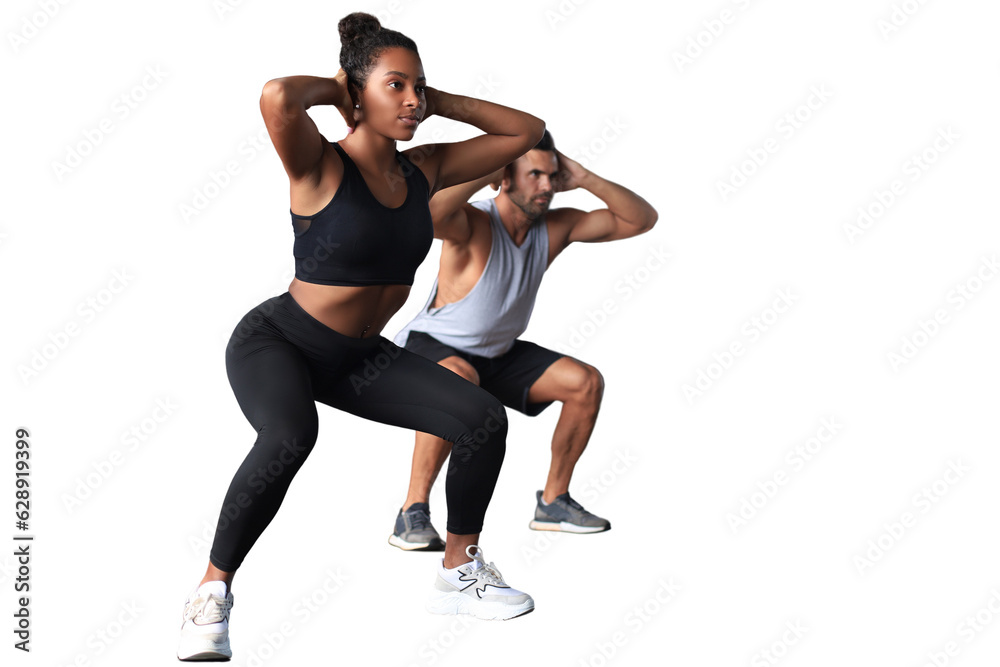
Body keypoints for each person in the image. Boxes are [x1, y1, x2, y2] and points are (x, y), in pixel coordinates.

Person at [176, 12, 545, 661]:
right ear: (357, 91)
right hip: (280, 341)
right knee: (291, 436)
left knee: (483, 417)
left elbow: (526, 132)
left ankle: (459, 569)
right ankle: (212, 592)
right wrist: (337, 87)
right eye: (396, 86)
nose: (411, 100)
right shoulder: (318, 164)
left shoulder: (425, 170)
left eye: (418, 88)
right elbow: (276, 96)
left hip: (359, 359)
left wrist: (437, 102)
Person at [387, 130, 657, 551]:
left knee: (584, 382)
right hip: (435, 346)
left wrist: (584, 177)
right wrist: (485, 171)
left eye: (552, 176)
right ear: (506, 179)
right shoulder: (473, 221)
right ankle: (412, 510)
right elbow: (427, 214)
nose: (547, 186)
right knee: (459, 376)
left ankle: (553, 502)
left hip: (498, 353)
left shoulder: (555, 227)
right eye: (535, 174)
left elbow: (641, 219)